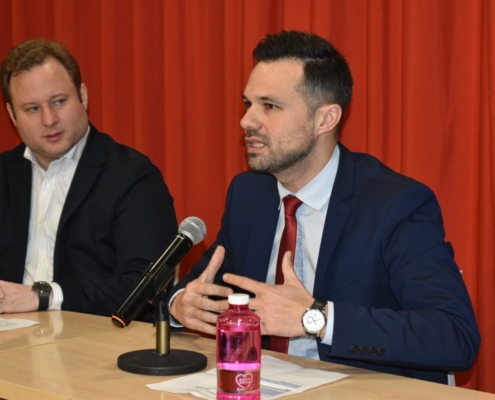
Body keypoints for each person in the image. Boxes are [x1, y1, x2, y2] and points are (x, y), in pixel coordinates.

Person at [169, 30, 480, 384]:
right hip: (261, 384)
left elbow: (454, 335)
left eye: (269, 106)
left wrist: (314, 318)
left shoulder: (395, 204)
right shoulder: (248, 193)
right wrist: (181, 304)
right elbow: (207, 283)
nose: (247, 121)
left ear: (325, 119)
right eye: (248, 104)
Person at [0, 39, 177, 317]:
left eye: (59, 101)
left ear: (82, 96)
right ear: (12, 114)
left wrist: (43, 296)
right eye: (32, 109)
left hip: (90, 342)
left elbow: (146, 287)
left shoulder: (133, 177)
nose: (49, 120)